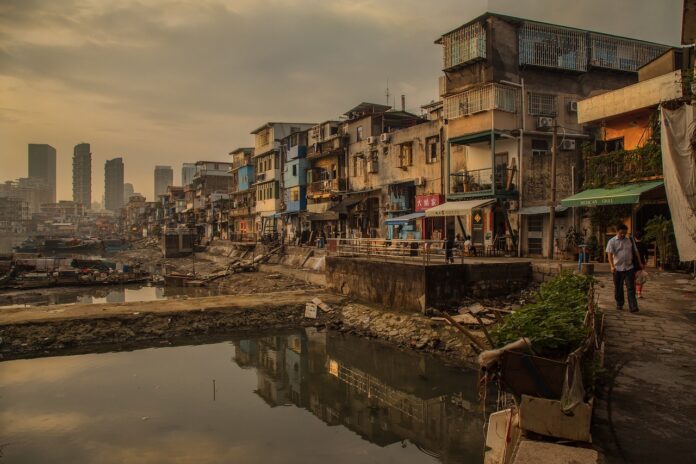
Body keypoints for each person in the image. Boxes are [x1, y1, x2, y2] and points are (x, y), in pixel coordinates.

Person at [606, 224, 643, 312]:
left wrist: (640, 262)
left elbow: (636, 251)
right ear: (617, 231)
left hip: (629, 267)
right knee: (618, 287)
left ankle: (633, 306)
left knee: (631, 287)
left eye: (625, 233)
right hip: (617, 268)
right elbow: (609, 255)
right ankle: (619, 303)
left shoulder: (630, 240)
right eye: (621, 233)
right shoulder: (612, 241)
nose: (623, 235)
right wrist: (611, 266)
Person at [633, 231, 649, 298]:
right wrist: (645, 263)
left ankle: (633, 292)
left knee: (633, 278)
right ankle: (639, 293)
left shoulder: (633, 245)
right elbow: (646, 255)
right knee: (640, 279)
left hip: (632, 263)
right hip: (641, 263)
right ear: (642, 237)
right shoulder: (644, 245)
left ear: (634, 237)